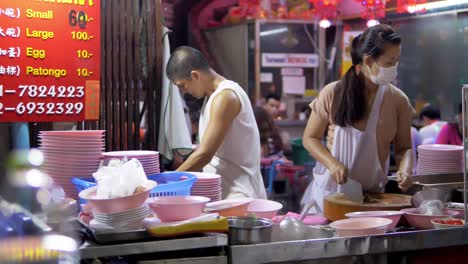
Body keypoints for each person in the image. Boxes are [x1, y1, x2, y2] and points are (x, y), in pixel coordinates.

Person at [301, 24, 413, 212]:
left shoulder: (398, 100)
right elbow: (310, 138)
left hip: (373, 198)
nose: (394, 68)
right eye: (389, 63)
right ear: (368, 61)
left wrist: (405, 169)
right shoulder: (333, 93)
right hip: (329, 196)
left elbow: (405, 147)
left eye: (397, 61)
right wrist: (333, 164)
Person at [166, 46, 267, 199]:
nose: (185, 91)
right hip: (227, 194)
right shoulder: (212, 97)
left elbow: (205, 153)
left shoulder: (225, 97)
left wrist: (171, 181)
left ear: (195, 75)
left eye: (182, 85)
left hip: (240, 196)